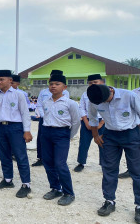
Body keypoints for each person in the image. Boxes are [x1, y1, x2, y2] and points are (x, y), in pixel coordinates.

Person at [87, 84, 140, 224]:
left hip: (131, 135)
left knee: (138, 171)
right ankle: (109, 201)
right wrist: (95, 135)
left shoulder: (129, 96)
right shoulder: (95, 99)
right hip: (110, 135)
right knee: (109, 169)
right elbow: (93, 118)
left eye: (107, 100)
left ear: (111, 90)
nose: (105, 103)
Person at [0, 70, 32, 198]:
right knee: (4, 155)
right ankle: (7, 180)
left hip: (16, 128)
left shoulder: (18, 95)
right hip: (0, 128)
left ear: (10, 80)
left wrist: (27, 131)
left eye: (1, 79)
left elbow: (25, 113)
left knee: (20, 156)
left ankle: (26, 184)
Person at [41, 74, 80, 206]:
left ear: (64, 87)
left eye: (57, 84)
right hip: (46, 133)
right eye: (51, 84)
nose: (53, 86)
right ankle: (55, 188)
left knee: (60, 163)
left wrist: (68, 136)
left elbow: (76, 122)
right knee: (48, 162)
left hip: (62, 133)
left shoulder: (70, 103)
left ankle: (68, 193)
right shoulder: (46, 102)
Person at [32, 70, 70, 167]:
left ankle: (56, 159)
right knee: (41, 138)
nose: (54, 85)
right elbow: (39, 104)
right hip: (44, 119)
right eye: (52, 79)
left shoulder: (66, 93)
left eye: (57, 82)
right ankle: (40, 158)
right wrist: (43, 115)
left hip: (58, 120)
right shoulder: (43, 92)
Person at [74, 74, 105, 172]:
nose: (93, 84)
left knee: (103, 143)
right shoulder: (85, 94)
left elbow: (110, 110)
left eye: (95, 82)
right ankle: (81, 162)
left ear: (102, 82)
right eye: (90, 83)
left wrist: (101, 123)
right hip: (87, 121)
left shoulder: (106, 93)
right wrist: (86, 122)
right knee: (84, 143)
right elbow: (81, 108)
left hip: (103, 122)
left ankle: (104, 164)